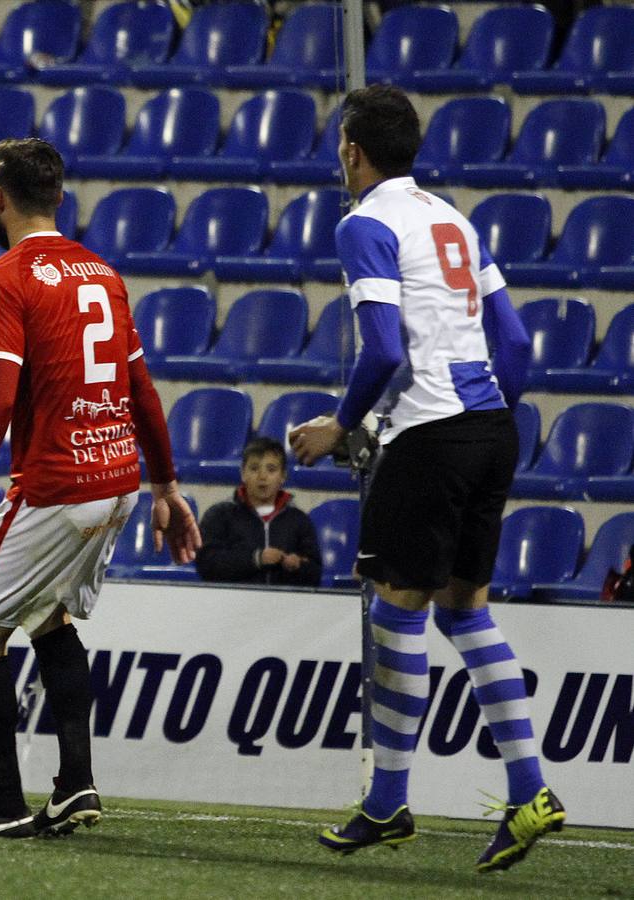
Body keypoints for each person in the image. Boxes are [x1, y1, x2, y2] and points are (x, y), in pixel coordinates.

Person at [288, 85, 560, 873]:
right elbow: (512, 340)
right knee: (466, 614)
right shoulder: (454, 220)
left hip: (431, 434)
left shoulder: (364, 224)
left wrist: (340, 424)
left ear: (350, 150)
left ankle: (387, 803)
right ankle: (528, 789)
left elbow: (380, 350)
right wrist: (484, 421)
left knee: (394, 615)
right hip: (489, 426)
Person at [0, 138, 201, 839]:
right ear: (59, 200)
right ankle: (74, 784)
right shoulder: (102, 274)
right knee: (48, 617)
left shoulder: (0, 280)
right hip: (118, 477)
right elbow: (139, 389)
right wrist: (165, 485)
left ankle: (2, 806)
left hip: (56, 482)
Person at [196, 437, 321, 587]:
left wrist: (298, 566)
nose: (262, 477)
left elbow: (315, 573)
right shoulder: (219, 515)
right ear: (243, 473)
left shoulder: (299, 520)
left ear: (283, 476)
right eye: (254, 468)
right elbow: (207, 565)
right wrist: (256, 559)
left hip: (285, 606)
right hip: (231, 605)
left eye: (271, 469)